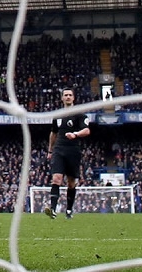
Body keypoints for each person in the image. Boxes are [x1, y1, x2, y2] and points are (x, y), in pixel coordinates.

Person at [44, 88, 90, 220]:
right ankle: (52, 209)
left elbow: (87, 130)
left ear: (73, 98)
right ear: (62, 98)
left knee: (71, 183)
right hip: (59, 149)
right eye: (66, 95)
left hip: (73, 150)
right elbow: (53, 133)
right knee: (56, 179)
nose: (68, 97)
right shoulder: (58, 115)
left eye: (70, 95)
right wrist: (50, 150)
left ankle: (69, 210)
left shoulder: (79, 114)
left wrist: (75, 134)